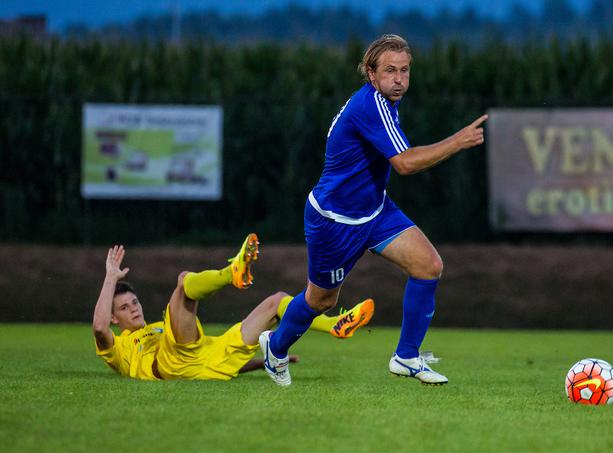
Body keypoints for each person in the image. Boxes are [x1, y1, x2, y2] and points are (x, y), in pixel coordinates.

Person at [259, 34, 487, 386]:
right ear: (371, 73)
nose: (399, 79)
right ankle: (275, 348)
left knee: (429, 266)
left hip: (375, 210)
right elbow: (405, 164)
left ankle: (407, 356)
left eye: (405, 71)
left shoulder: (386, 103)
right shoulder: (371, 104)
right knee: (321, 301)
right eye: (390, 70)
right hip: (334, 222)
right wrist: (459, 140)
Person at [92, 234, 374, 381]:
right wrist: (110, 278)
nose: (134, 308)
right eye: (124, 308)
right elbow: (99, 327)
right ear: (115, 318)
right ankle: (231, 272)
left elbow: (210, 357)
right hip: (171, 367)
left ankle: (333, 325)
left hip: (211, 359)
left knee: (276, 301)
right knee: (182, 283)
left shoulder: (158, 329)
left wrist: (259, 364)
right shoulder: (118, 348)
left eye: (134, 302)